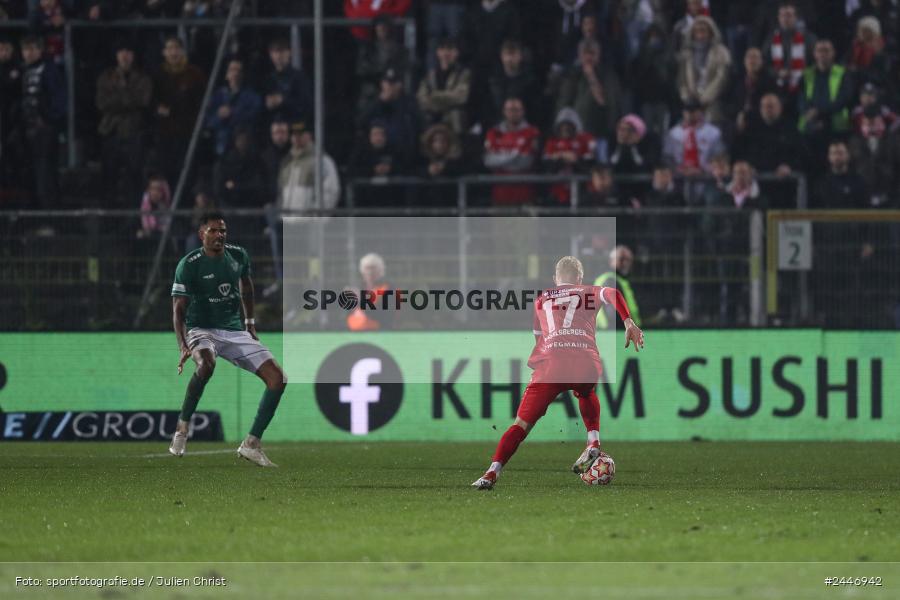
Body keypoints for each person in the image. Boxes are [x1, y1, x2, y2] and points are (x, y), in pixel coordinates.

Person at [471, 256, 644, 490]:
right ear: (580, 278)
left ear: (555, 278)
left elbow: (537, 336)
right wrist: (628, 322)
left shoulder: (541, 299)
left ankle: (492, 473)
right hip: (585, 360)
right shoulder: (589, 291)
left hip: (551, 365)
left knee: (520, 426)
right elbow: (613, 293)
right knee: (586, 392)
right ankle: (593, 441)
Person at [170, 211, 286, 467]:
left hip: (234, 331)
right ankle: (182, 426)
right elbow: (178, 309)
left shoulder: (238, 256)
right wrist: (182, 345)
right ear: (202, 234)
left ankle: (252, 444)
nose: (219, 235)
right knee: (206, 365)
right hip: (201, 329)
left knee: (278, 379)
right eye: (213, 230)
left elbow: (247, 286)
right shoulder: (189, 265)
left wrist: (250, 323)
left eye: (223, 230)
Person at [95, 40, 153, 206]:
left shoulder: (142, 77)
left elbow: (143, 100)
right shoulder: (106, 77)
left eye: (128, 52)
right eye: (122, 51)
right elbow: (102, 102)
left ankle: (133, 219)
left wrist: (119, 96)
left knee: (133, 176)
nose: (125, 56)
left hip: (133, 132)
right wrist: (128, 98)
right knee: (109, 176)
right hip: (111, 132)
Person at [153, 36, 206, 184]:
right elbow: (153, 101)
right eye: (169, 48)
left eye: (176, 48)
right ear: (164, 52)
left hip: (187, 130)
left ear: (182, 51)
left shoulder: (194, 74)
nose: (173, 52)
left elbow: (200, 101)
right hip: (165, 131)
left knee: (187, 170)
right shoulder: (158, 75)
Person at [20, 35, 65, 209]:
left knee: (45, 173)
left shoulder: (49, 69)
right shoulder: (22, 70)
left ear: (40, 50)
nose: (28, 53)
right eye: (25, 49)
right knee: (30, 172)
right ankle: (33, 213)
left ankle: (49, 214)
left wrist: (48, 119)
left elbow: (59, 99)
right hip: (26, 129)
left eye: (32, 49)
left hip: (44, 130)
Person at [556, 39, 623, 140]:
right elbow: (564, 102)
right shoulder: (572, 75)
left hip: (601, 130)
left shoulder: (608, 75)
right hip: (575, 132)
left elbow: (606, 102)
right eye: (585, 53)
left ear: (598, 54)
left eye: (592, 53)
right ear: (579, 55)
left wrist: (591, 76)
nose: (588, 57)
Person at [483, 96, 540, 205]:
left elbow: (526, 162)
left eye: (517, 110)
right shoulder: (493, 132)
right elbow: (489, 161)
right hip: (500, 194)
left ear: (523, 112)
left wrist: (501, 157)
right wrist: (515, 154)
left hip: (525, 194)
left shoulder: (532, 132)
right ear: (504, 111)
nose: (513, 113)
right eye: (510, 110)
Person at [676, 16, 732, 124]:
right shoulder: (686, 54)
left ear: (711, 32)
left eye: (703, 30)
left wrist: (704, 99)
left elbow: (722, 78)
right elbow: (681, 79)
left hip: (714, 101)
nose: (700, 34)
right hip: (691, 102)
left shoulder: (721, 52)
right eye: (697, 31)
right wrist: (687, 98)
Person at [204, 57, 261, 157]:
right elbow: (208, 121)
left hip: (243, 147)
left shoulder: (252, 96)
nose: (235, 74)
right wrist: (219, 116)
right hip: (222, 147)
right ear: (226, 74)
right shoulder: (218, 96)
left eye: (238, 70)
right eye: (232, 70)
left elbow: (255, 116)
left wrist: (233, 113)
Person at [762, 1, 817, 98]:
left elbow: (815, 62)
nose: (785, 19)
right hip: (778, 86)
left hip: (804, 85)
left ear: (796, 18)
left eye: (789, 15)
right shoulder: (771, 39)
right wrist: (777, 73)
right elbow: (765, 63)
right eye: (782, 15)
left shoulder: (808, 38)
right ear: (778, 18)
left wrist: (803, 74)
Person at [542, 107, 596, 205]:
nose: (566, 128)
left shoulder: (585, 140)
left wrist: (576, 159)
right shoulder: (552, 142)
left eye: (569, 125)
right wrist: (562, 158)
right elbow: (546, 166)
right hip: (557, 192)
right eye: (563, 125)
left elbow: (590, 164)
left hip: (581, 190)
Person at [416, 37, 470, 134]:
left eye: (449, 49)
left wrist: (434, 96)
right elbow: (421, 99)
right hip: (432, 123)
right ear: (438, 52)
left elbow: (461, 97)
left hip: (454, 125)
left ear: (456, 52)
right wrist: (445, 101)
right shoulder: (430, 75)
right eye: (442, 49)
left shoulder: (463, 73)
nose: (446, 53)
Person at [263, 38, 313, 125]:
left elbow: (306, 105)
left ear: (289, 53)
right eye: (275, 52)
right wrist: (268, 104)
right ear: (271, 55)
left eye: (282, 51)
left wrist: (283, 100)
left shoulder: (299, 77)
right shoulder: (269, 79)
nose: (279, 56)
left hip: (294, 126)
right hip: (274, 128)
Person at [594, 245, 642, 331]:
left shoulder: (618, 280)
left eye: (629, 260)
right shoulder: (610, 280)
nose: (626, 263)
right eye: (621, 259)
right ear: (611, 260)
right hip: (614, 332)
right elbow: (613, 313)